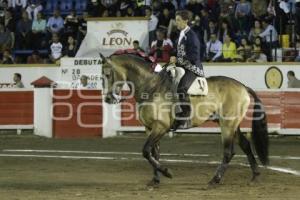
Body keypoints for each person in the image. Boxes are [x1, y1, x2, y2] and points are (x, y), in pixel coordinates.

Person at [170, 10, 205, 129]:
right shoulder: (180, 33)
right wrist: (174, 55)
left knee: (181, 87)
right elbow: (180, 50)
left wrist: (179, 60)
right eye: (176, 20)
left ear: (185, 21)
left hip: (193, 68)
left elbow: (194, 56)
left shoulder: (192, 36)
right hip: (182, 65)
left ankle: (185, 116)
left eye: (179, 20)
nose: (176, 22)